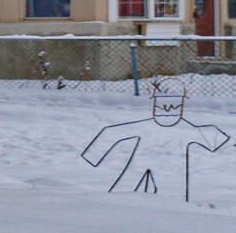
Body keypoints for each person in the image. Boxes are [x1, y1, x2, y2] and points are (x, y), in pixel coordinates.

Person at [81, 78, 230, 201]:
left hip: (172, 173)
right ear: (154, 104)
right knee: (122, 194)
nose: (166, 109)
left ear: (181, 105)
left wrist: (225, 143)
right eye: (161, 105)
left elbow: (216, 141)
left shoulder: (189, 130)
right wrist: (93, 155)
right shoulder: (145, 126)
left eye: (173, 106)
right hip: (138, 167)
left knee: (173, 201)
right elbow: (112, 132)